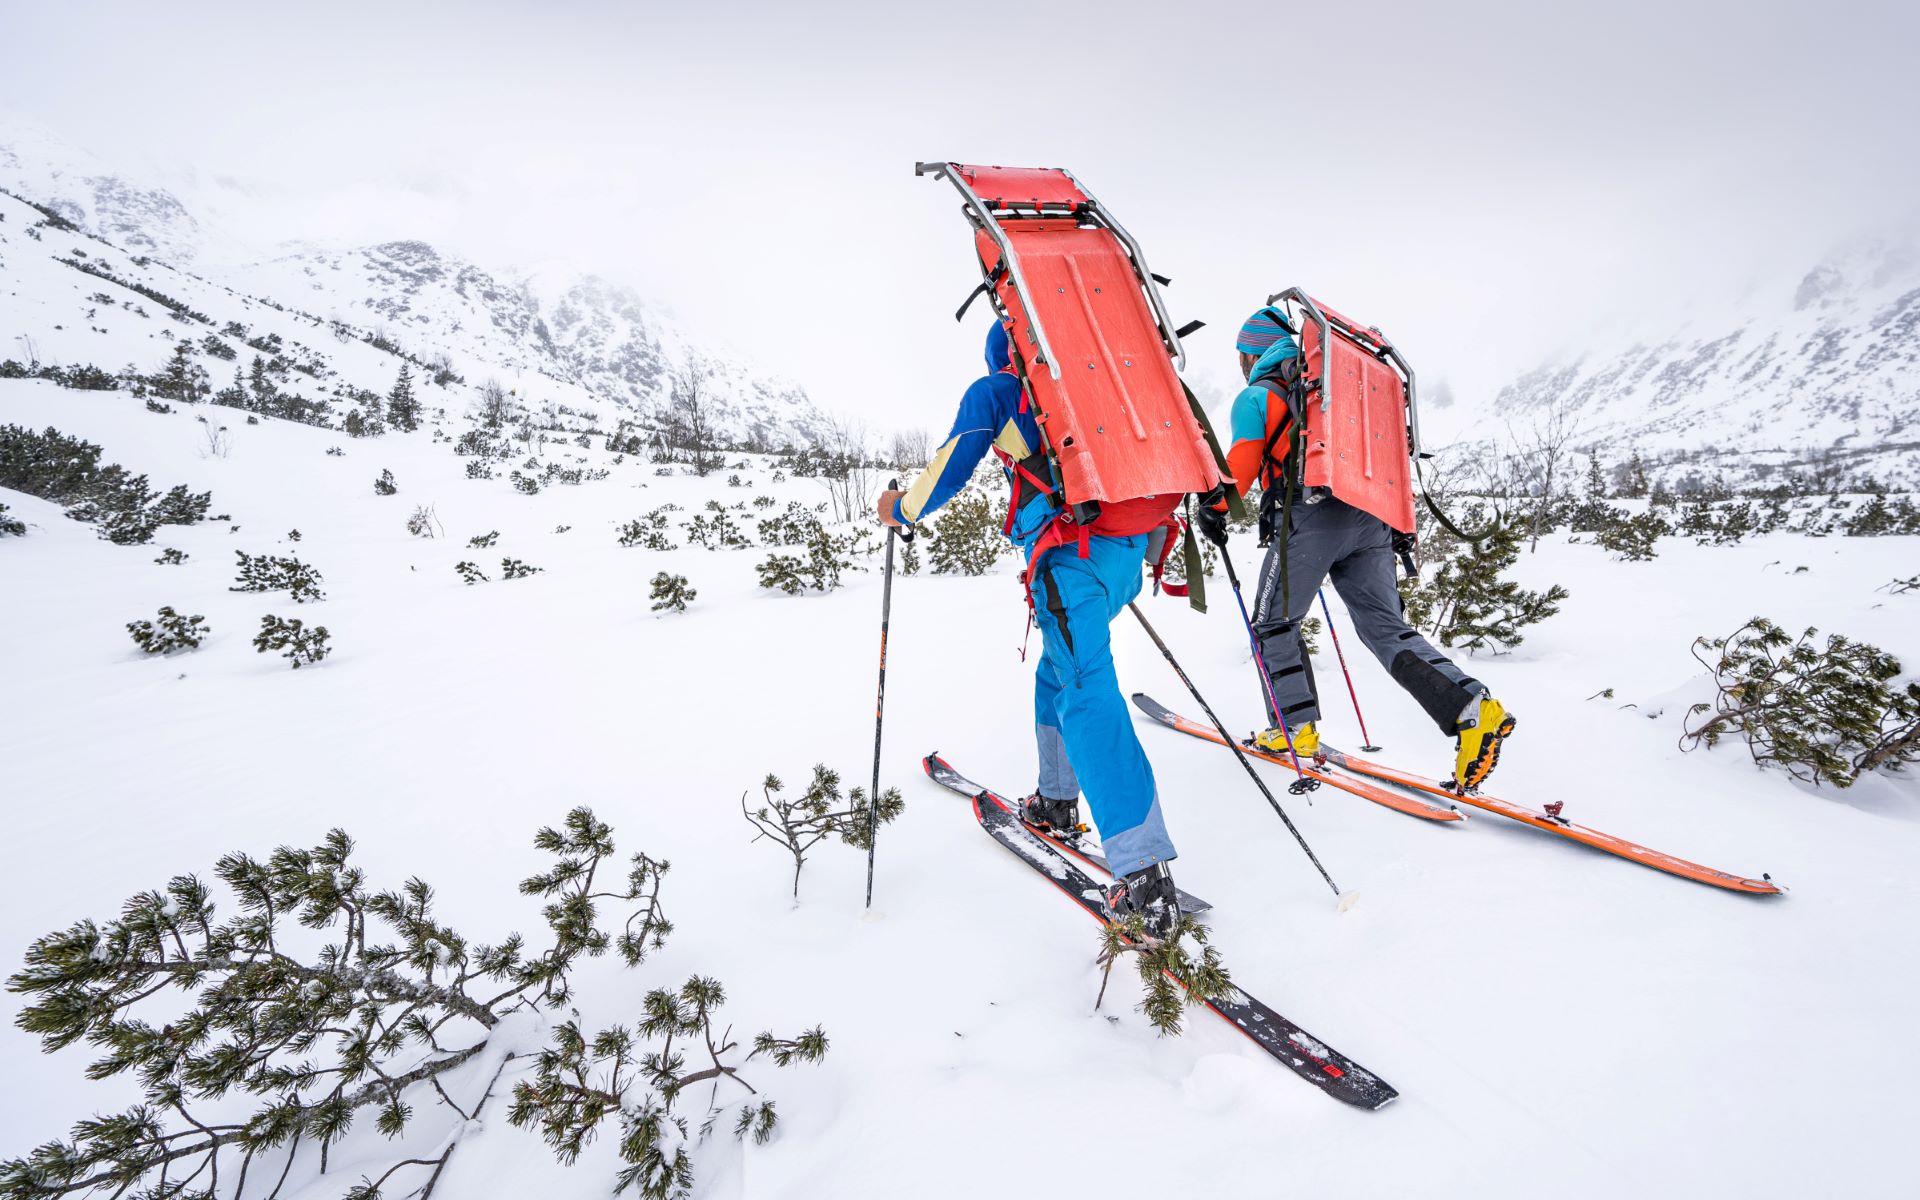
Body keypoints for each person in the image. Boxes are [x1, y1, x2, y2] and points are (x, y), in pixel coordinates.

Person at [878, 320, 1183, 935]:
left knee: (1085, 689)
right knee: (1059, 670)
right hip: (1125, 555)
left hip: (1073, 559)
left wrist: (902, 508)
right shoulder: (1105, 384)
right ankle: (1058, 799)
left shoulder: (1002, 390)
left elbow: (952, 462)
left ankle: (1145, 872)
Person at [1195, 307, 1516, 790]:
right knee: (1386, 628)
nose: (1242, 365)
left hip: (1307, 518)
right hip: (1373, 518)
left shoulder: (1260, 395)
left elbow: (1240, 463)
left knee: (1273, 623)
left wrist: (1214, 508)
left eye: (1243, 355)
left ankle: (1291, 731)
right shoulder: (1335, 393)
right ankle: (1472, 707)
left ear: (1252, 352)